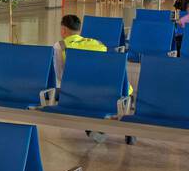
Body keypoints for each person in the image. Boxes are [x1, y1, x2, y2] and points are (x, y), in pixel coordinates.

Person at [53, 14, 132, 144]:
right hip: (107, 89)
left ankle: (92, 128)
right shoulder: (97, 43)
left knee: (74, 96)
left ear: (63, 30)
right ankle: (125, 129)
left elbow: (61, 75)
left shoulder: (60, 46)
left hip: (78, 92)